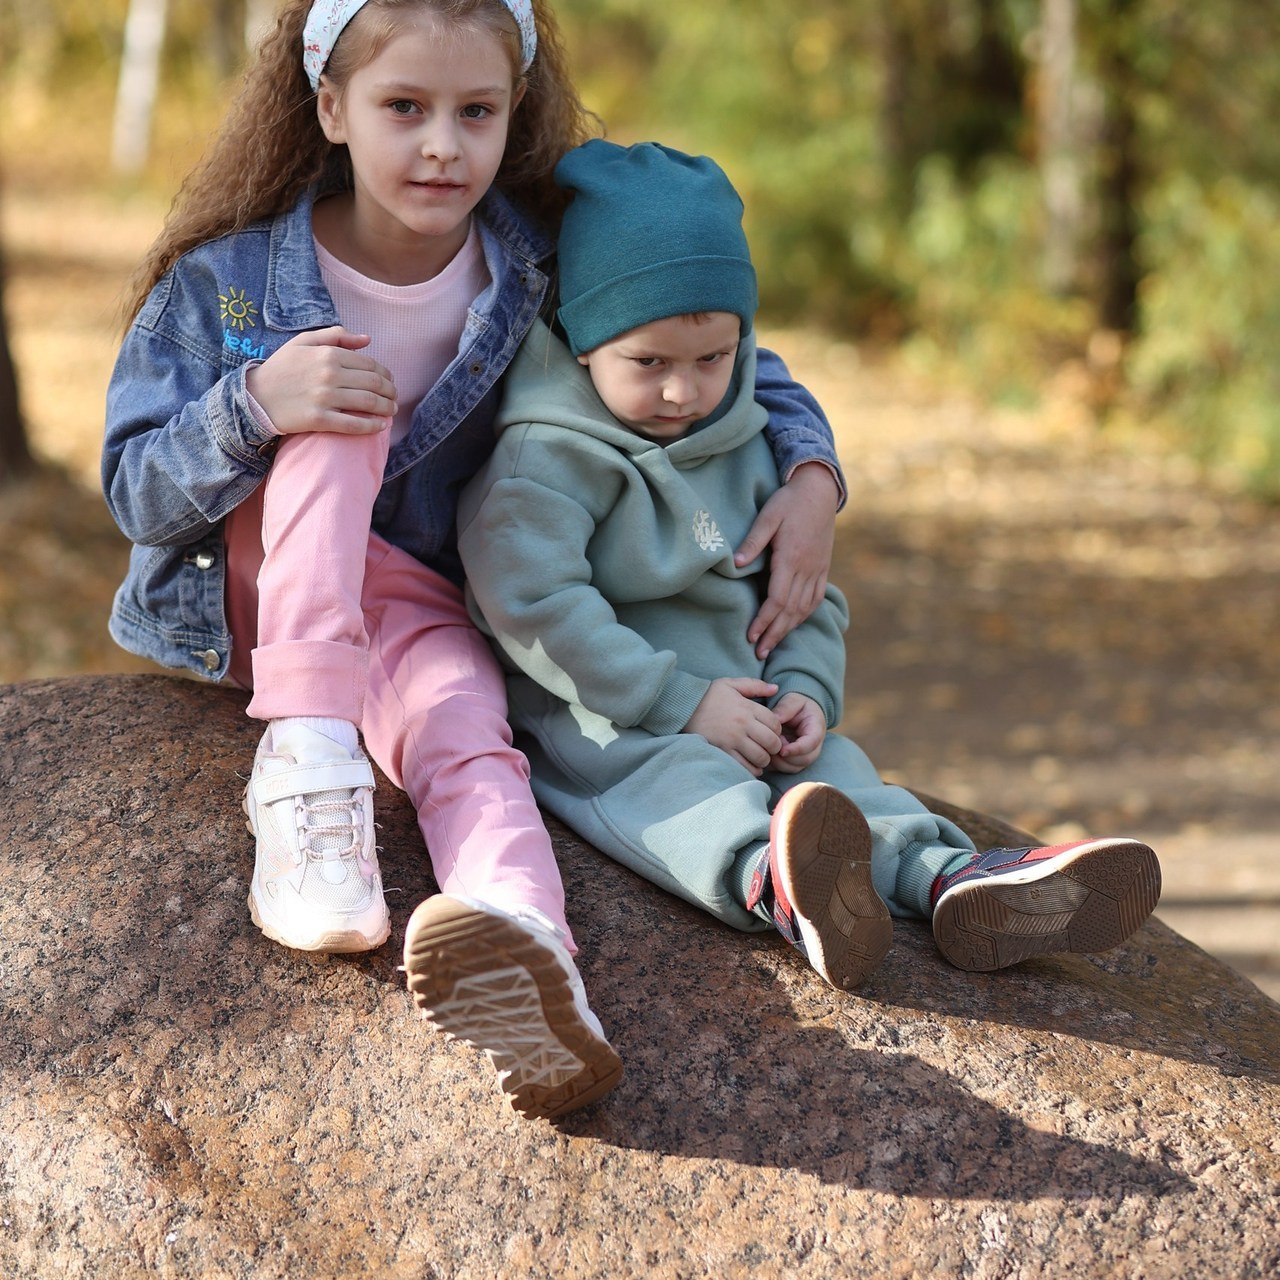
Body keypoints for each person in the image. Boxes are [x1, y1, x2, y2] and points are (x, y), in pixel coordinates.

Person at [102, 1, 847, 1121]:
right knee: (337, 401)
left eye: (476, 112)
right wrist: (254, 403)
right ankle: (309, 768)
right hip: (254, 586)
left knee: (465, 722)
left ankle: (525, 946)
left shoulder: (535, 260)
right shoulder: (228, 284)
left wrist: (812, 473)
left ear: (514, 111)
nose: (443, 145)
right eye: (405, 107)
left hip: (408, 598)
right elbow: (137, 493)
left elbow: (726, 349)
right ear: (331, 106)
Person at [458, 139, 1163, 993]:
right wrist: (680, 703)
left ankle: (949, 881)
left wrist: (806, 691)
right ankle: (776, 881)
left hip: (749, 697)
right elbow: (532, 605)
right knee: (679, 785)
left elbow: (802, 594)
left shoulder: (751, 437)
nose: (683, 391)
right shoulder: (543, 458)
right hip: (613, 709)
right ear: (582, 339)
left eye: (712, 359)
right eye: (649, 364)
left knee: (838, 778)